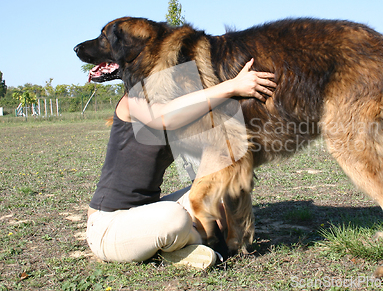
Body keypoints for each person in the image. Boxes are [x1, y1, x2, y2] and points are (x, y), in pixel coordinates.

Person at [86, 59, 276, 269]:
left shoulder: (177, 105)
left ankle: (184, 243)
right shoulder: (133, 99)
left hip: (145, 213)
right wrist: (231, 85)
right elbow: (164, 118)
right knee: (175, 219)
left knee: (216, 193)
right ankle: (185, 243)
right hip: (108, 225)